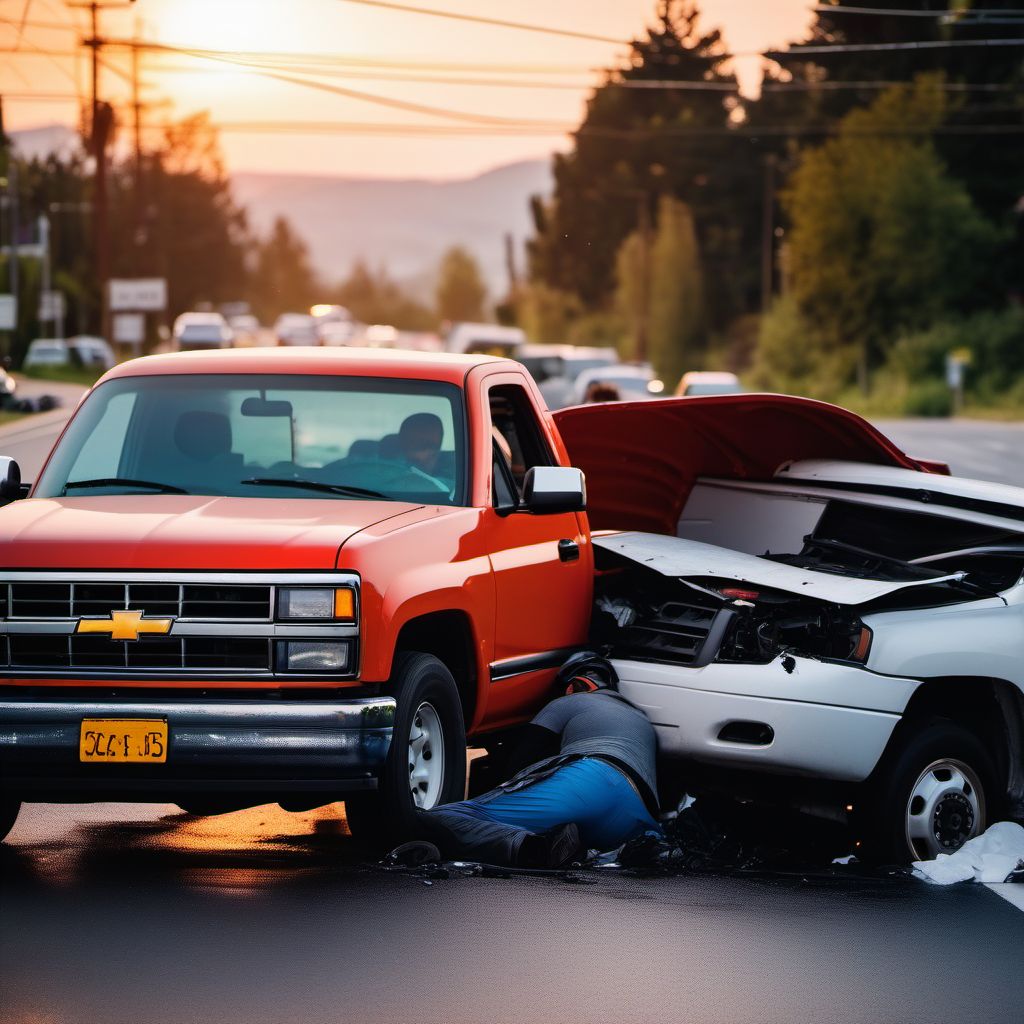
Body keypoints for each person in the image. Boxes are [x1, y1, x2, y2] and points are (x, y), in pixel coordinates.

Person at [408, 654, 663, 869]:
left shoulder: (569, 701)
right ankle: (593, 849)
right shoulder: (640, 717)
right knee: (577, 833)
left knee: (438, 818)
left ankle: (533, 849)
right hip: (639, 815)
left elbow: (521, 762)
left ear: (573, 685)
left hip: (591, 782)